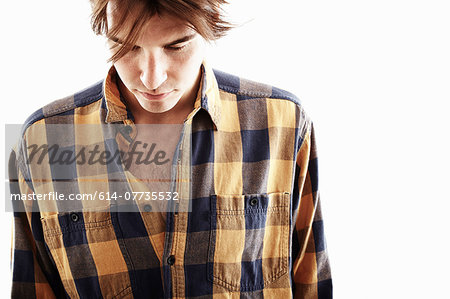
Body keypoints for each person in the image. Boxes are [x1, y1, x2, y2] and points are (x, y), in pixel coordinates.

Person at [8, 0, 332, 298]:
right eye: (126, 46)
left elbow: (312, 283)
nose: (152, 78)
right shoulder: (44, 140)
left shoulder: (283, 123)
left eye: (176, 45)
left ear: (212, 21)